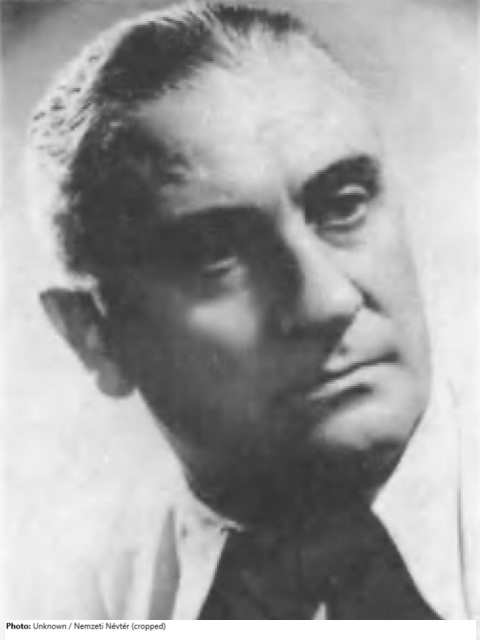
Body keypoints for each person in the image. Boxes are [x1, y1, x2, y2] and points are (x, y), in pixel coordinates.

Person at [26, 1, 477, 619]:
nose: (328, 302)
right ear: (94, 336)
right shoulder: (62, 605)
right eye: (215, 253)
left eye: (344, 205)